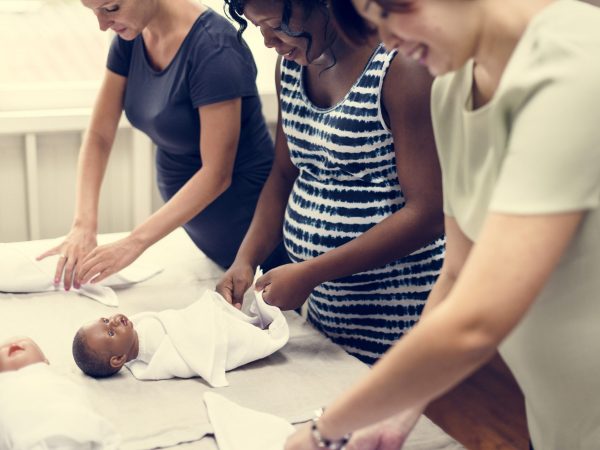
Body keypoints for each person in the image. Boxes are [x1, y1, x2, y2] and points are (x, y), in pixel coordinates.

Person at [283, 1, 600, 449]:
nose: (387, 40)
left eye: (388, 12)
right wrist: (399, 410)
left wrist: (322, 431)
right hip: (557, 413)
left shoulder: (576, 60)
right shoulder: (452, 87)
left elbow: (478, 319)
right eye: (373, 24)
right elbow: (455, 276)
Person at [216, 0, 445, 368]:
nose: (269, 42)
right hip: (327, 310)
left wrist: (312, 271)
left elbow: (429, 213)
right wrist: (245, 260)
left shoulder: (400, 67)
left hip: (400, 311)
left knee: (398, 418)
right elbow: (283, 175)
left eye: (275, 25)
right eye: (258, 28)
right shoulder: (291, 66)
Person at [37, 0, 288, 291]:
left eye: (111, 8)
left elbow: (216, 174)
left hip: (251, 233)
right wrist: (83, 225)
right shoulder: (131, 36)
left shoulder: (215, 49)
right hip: (205, 238)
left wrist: (133, 243)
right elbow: (99, 136)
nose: (102, 24)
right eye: (94, 11)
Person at [72, 289, 288, 385]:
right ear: (118, 359)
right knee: (241, 335)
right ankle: (264, 330)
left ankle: (251, 322)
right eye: (111, 332)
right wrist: (207, 319)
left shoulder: (138, 332)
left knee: (235, 319)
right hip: (209, 335)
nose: (114, 321)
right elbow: (187, 344)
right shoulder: (150, 350)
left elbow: (178, 318)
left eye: (106, 319)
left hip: (200, 323)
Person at [0, 336, 121, 449]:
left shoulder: (53, 376)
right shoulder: (5, 384)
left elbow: (79, 399)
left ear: (45, 361)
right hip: (29, 439)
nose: (13, 344)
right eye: (3, 348)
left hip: (78, 431)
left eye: (25, 341)